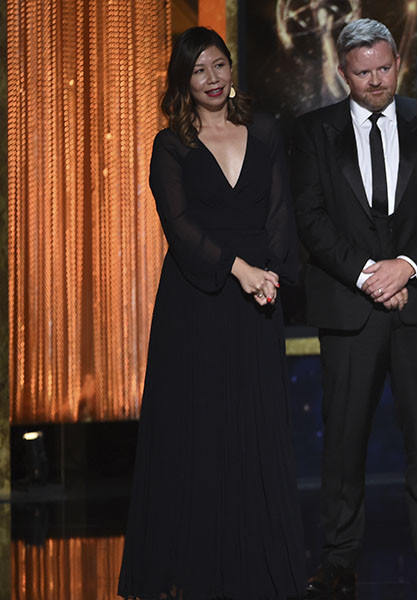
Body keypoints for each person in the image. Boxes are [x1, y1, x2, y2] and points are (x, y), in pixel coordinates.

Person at [118, 27, 305, 599]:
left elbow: (280, 210)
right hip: (196, 304)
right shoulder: (169, 144)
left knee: (257, 426)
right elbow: (179, 229)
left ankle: (260, 565)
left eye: (219, 65)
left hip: (258, 299)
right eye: (199, 70)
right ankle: (192, 567)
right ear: (183, 80)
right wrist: (240, 270)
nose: (213, 79)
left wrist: (270, 273)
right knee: (197, 429)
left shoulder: (265, 130)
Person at [290, 18, 417, 598]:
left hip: (416, 302)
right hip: (349, 305)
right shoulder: (314, 131)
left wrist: (406, 266)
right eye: (362, 72)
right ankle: (339, 559)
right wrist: (369, 274)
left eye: (384, 69)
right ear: (343, 72)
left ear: (399, 62)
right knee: (342, 440)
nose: (375, 80)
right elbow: (310, 219)